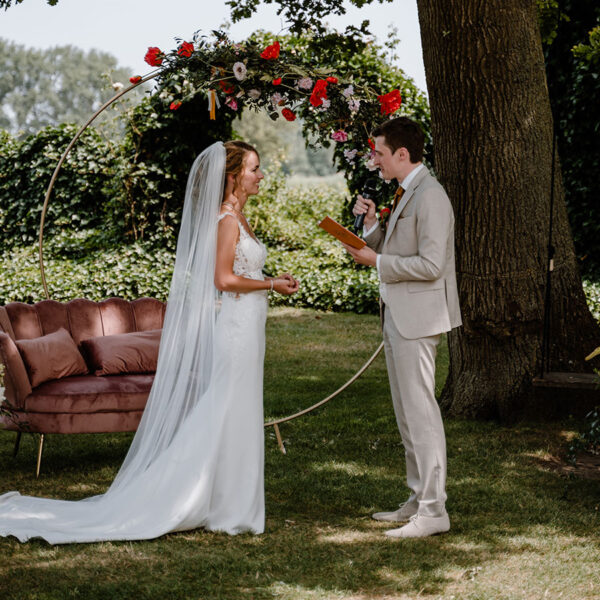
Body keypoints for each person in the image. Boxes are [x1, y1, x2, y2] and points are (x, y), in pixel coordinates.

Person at [0, 140, 299, 544]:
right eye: (254, 169)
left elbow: (237, 272)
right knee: (229, 406)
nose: (260, 175)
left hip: (247, 324)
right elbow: (223, 280)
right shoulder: (227, 219)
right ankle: (220, 504)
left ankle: (226, 499)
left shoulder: (241, 218)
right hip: (236, 328)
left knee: (236, 408)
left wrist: (269, 281)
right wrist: (271, 284)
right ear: (232, 177)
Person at [344, 117, 461, 538]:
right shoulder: (406, 192)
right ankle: (417, 498)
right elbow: (397, 250)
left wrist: (376, 262)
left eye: (378, 152)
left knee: (422, 414)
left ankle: (433, 511)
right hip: (398, 314)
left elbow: (431, 266)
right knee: (406, 414)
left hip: (418, 319)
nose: (374, 159)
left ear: (402, 154)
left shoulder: (431, 197)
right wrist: (372, 227)